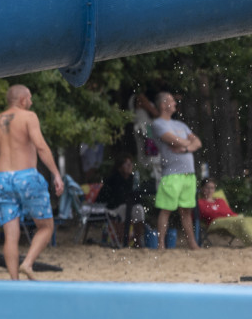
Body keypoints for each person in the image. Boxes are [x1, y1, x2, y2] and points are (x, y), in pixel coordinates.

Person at [0, 84, 64, 280]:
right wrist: (56, 173)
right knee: (46, 227)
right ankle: (28, 264)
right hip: (26, 176)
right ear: (22, 100)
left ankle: (15, 282)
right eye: (29, 98)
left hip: (3, 178)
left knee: (11, 235)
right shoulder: (29, 117)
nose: (31, 102)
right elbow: (40, 146)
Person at [149, 92, 201, 250]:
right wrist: (188, 144)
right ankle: (161, 244)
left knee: (186, 210)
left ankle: (192, 244)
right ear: (163, 105)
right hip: (171, 174)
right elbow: (172, 139)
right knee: (166, 209)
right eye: (171, 101)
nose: (175, 103)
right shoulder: (157, 124)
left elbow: (197, 142)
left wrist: (185, 148)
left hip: (188, 173)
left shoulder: (181, 125)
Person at [95, 155, 146, 247]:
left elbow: (137, 197)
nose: (130, 166)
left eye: (131, 164)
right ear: (119, 167)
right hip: (112, 207)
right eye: (127, 164)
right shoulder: (113, 179)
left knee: (139, 209)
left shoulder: (133, 179)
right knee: (124, 209)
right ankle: (122, 240)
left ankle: (137, 240)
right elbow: (114, 199)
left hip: (128, 206)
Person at [197, 177, 252, 246]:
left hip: (231, 218)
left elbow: (229, 212)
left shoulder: (220, 200)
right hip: (215, 222)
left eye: (212, 188)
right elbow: (206, 215)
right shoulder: (200, 202)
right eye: (207, 188)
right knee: (242, 222)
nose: (210, 190)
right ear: (202, 189)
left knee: (249, 219)